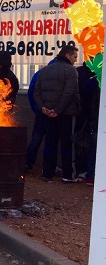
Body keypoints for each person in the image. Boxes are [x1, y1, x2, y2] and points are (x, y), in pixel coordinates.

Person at [33, 44, 81, 183]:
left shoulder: (45, 70)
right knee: (67, 144)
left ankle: (47, 174)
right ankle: (68, 175)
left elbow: (37, 92)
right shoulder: (71, 71)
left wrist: (43, 108)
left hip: (47, 114)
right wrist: (58, 110)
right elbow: (69, 93)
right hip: (65, 114)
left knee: (50, 143)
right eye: (74, 57)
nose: (75, 60)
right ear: (67, 55)